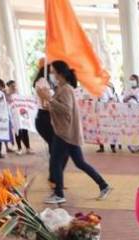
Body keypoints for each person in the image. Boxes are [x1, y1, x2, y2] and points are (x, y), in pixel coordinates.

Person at [45, 60, 112, 204]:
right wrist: (49, 103)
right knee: (79, 163)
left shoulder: (66, 89)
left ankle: (59, 193)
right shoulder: (62, 88)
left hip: (65, 133)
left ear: (60, 73)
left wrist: (49, 99)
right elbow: (60, 108)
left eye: (53, 72)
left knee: (56, 162)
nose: (51, 75)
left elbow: (66, 109)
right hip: (67, 133)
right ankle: (103, 185)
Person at [123, 74, 139, 152]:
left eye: (133, 80)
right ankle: (131, 146)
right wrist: (129, 97)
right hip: (130, 113)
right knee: (131, 130)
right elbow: (124, 100)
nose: (131, 81)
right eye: (130, 80)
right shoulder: (128, 90)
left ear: (137, 81)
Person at [5, 80, 31, 155]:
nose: (14, 87)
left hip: (21, 116)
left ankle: (28, 148)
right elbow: (8, 105)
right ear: (9, 87)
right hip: (14, 117)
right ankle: (19, 148)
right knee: (17, 132)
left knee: (25, 131)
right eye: (12, 86)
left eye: (15, 86)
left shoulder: (19, 95)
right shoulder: (8, 96)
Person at [97, 82, 120, 153]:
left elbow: (112, 98)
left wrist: (106, 104)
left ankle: (112, 147)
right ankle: (101, 147)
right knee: (100, 130)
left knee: (110, 129)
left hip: (107, 112)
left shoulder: (106, 88)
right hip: (98, 112)